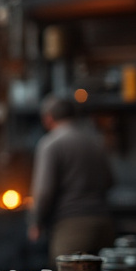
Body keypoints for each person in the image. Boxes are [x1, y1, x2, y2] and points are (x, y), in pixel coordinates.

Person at [29, 95, 115, 260]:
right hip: (104, 224)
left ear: (48, 118)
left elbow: (44, 190)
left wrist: (36, 222)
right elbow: (110, 181)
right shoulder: (95, 141)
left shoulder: (51, 144)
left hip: (72, 228)